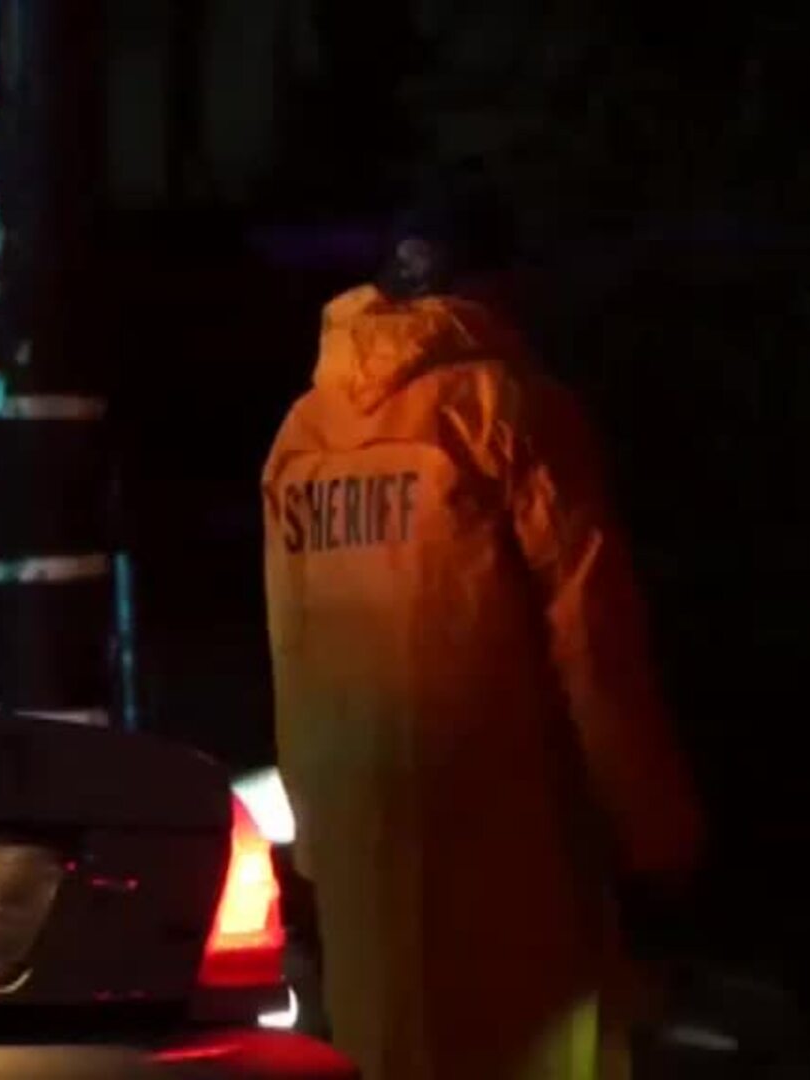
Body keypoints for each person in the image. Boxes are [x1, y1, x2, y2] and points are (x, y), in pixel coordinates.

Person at [261, 171, 702, 1080]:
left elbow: (292, 655)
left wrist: (312, 855)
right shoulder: (512, 412)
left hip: (360, 858)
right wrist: (659, 838)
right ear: (501, 283)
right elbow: (593, 644)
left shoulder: (302, 438)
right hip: (508, 854)